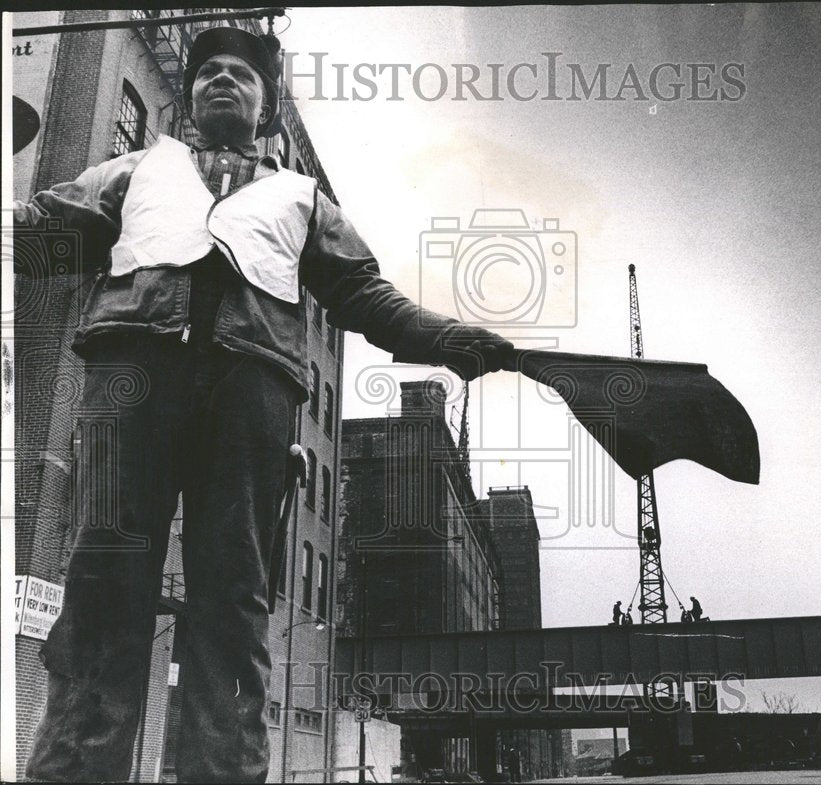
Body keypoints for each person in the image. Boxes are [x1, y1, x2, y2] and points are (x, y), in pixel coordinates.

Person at [15, 27, 512, 783]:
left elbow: (363, 294)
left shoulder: (303, 199)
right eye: (206, 71)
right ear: (187, 102)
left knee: (232, 598)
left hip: (252, 395)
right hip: (129, 381)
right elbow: (47, 234)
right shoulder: (133, 170)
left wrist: (445, 336)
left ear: (266, 108)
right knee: (101, 585)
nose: (220, 79)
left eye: (240, 75)